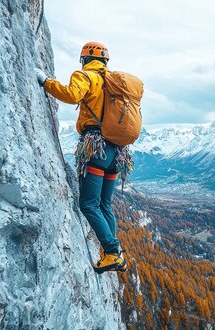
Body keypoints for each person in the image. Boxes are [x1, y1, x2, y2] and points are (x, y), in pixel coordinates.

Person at [35, 41, 127, 273]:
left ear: (85, 59)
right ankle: (111, 253)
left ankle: (112, 252)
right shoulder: (113, 82)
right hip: (117, 152)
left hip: (96, 147)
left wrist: (46, 82)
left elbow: (72, 95)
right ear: (105, 60)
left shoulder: (86, 76)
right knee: (105, 204)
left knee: (88, 204)